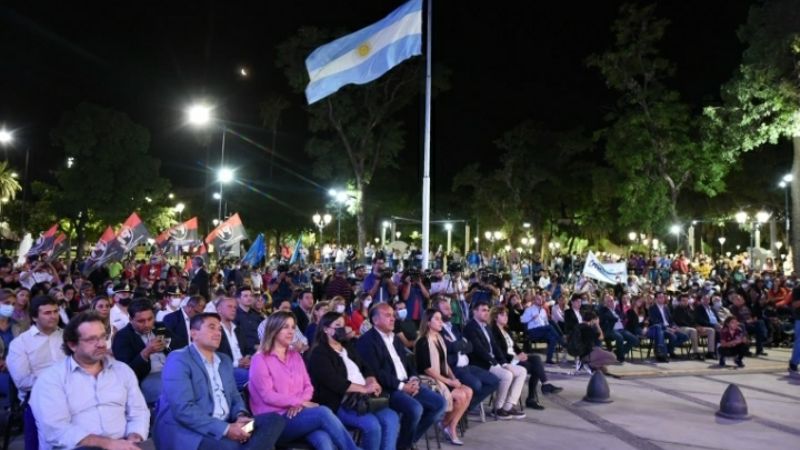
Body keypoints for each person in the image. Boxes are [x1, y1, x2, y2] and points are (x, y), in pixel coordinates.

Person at [155, 312, 286, 450]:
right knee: (235, 446)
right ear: (193, 333)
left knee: (274, 420)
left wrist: (240, 415)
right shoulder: (179, 359)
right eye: (211, 327)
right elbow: (183, 409)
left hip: (230, 424)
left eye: (219, 329)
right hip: (195, 431)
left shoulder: (224, 360)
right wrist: (226, 429)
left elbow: (235, 396)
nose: (218, 333)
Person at [31, 311, 150, 450]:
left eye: (103, 337)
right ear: (72, 345)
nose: (101, 344)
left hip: (123, 444)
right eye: (92, 339)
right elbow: (56, 430)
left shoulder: (122, 370)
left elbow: (139, 411)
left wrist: (134, 437)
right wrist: (109, 444)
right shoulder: (51, 379)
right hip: (78, 447)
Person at [248, 311, 359, 450]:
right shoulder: (260, 359)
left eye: (293, 327)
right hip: (274, 422)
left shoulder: (295, 356)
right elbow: (268, 396)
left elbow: (308, 386)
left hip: (299, 414)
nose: (291, 331)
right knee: (322, 412)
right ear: (274, 330)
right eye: (285, 327)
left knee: (323, 439)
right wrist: (299, 402)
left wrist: (299, 404)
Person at [356, 303, 446, 450]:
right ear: (375, 320)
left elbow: (408, 363)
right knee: (415, 409)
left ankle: (405, 442)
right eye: (387, 315)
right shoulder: (366, 341)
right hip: (388, 389)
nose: (393, 319)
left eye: (393, 315)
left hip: (407, 383)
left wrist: (414, 379)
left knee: (440, 403)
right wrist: (403, 386)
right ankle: (405, 444)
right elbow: (376, 372)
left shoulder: (395, 338)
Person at [308, 311, 400, 450]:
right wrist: (363, 388)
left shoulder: (347, 346)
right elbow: (335, 382)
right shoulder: (319, 353)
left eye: (343, 325)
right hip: (341, 401)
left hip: (364, 397)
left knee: (391, 418)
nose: (342, 329)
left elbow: (365, 366)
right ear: (326, 329)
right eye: (337, 325)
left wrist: (371, 380)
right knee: (372, 425)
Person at [7, 295, 65, 450]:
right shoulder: (20, 343)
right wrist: (59, 382)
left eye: (55, 311)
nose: (53, 316)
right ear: (34, 317)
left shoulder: (67, 337)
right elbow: (23, 382)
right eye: (47, 313)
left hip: (71, 395)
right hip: (37, 399)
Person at [414, 308, 471, 446]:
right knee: (461, 396)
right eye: (437, 319)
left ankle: (448, 426)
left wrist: (453, 378)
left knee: (468, 391)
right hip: (429, 380)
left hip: (443, 377)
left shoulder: (439, 338)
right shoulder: (422, 341)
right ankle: (447, 426)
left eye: (441, 319)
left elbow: (445, 362)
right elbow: (427, 369)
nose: (441, 322)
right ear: (428, 322)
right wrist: (449, 382)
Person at [433, 297, 499, 413]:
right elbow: (448, 347)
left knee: (494, 380)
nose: (451, 312)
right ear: (437, 312)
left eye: (450, 309)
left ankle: (465, 407)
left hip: (467, 366)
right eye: (446, 309)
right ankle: (461, 408)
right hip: (453, 368)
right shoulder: (437, 330)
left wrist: (458, 345)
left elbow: (470, 346)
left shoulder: (454, 327)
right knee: (476, 384)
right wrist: (459, 345)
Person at [464, 301, 527, 420]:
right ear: (474, 312)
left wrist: (503, 363)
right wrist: (497, 364)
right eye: (483, 310)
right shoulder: (470, 327)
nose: (486, 313)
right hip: (481, 364)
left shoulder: (486, 326)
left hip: (493, 361)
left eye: (488, 310)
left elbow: (495, 347)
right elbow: (479, 350)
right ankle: (497, 408)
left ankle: (508, 406)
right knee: (507, 375)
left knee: (522, 371)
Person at [491, 306, 562, 410]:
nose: (506, 317)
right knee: (534, 367)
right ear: (495, 317)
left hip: (515, 357)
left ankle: (544, 385)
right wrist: (516, 357)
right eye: (502, 315)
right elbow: (498, 351)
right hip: (506, 360)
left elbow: (514, 346)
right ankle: (532, 398)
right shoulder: (493, 331)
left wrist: (522, 353)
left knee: (536, 358)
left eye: (506, 314)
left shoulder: (506, 329)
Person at [112, 299, 170, 404]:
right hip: (146, 377)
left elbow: (176, 346)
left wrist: (167, 345)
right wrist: (146, 352)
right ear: (130, 319)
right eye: (141, 321)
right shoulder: (123, 337)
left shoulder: (160, 327)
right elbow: (126, 372)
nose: (147, 324)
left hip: (171, 371)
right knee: (171, 393)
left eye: (150, 319)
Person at [216, 296, 251, 389]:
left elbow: (247, 349)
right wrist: (237, 363)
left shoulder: (238, 329)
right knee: (253, 377)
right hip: (228, 369)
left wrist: (248, 358)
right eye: (229, 307)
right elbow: (216, 355)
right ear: (219, 309)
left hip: (244, 366)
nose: (233, 310)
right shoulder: (215, 330)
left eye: (235, 307)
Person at [520, 293, 562, 364]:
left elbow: (546, 323)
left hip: (543, 330)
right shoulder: (529, 309)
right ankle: (562, 341)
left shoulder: (543, 311)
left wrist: (547, 327)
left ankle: (549, 359)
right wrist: (531, 318)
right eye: (538, 299)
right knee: (550, 327)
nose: (540, 300)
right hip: (533, 331)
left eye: (541, 299)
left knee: (553, 338)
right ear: (534, 300)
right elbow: (522, 320)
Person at [648, 292, 689, 362]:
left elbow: (670, 320)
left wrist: (674, 326)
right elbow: (655, 322)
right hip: (660, 329)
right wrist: (667, 328)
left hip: (669, 327)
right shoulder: (652, 308)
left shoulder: (666, 307)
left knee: (685, 337)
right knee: (673, 336)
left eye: (663, 297)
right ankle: (666, 353)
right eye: (659, 297)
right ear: (656, 299)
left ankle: (668, 349)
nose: (662, 299)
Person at [598, 294, 639, 363]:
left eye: (612, 301)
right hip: (610, 330)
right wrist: (616, 318)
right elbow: (609, 318)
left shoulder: (616, 310)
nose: (611, 302)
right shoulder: (603, 310)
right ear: (605, 302)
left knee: (635, 340)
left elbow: (624, 317)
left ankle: (617, 353)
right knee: (620, 337)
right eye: (609, 301)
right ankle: (620, 357)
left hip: (621, 329)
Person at [673, 294, 714, 360]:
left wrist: (698, 326)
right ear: (679, 301)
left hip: (692, 327)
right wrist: (695, 327)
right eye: (683, 300)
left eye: (686, 300)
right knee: (693, 330)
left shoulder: (690, 309)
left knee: (711, 330)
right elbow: (681, 322)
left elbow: (694, 320)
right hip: (681, 328)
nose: (685, 302)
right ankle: (696, 353)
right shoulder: (677, 309)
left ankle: (710, 352)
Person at [234, 286, 263, 356]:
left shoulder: (256, 315)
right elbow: (237, 338)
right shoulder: (235, 316)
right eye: (245, 296)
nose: (249, 298)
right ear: (238, 299)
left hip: (261, 349)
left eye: (251, 296)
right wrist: (254, 346)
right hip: (245, 353)